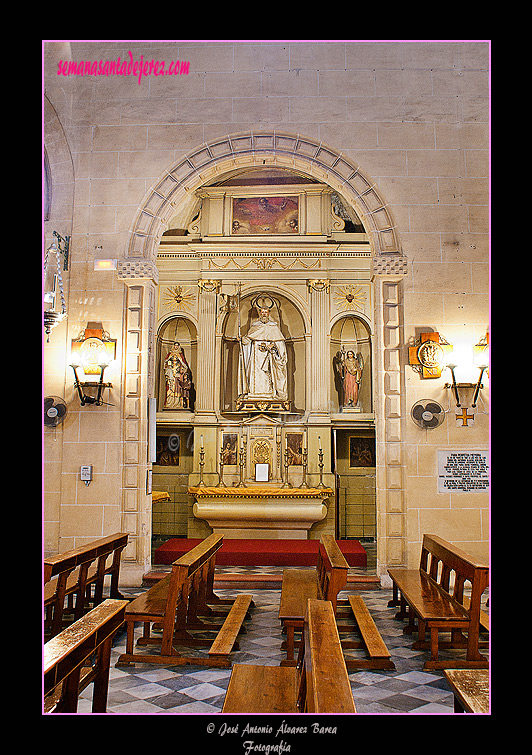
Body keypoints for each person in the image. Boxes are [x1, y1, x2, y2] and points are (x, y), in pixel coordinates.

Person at [238, 306, 288, 401]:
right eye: (262, 312)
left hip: (269, 356)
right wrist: (242, 339)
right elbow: (248, 340)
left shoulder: (274, 327)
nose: (264, 314)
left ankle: (272, 393)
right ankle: (253, 393)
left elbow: (280, 344)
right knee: (255, 375)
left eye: (266, 312)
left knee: (268, 375)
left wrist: (273, 346)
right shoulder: (255, 326)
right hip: (256, 356)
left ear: (269, 313)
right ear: (260, 313)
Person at [163, 341, 192, 409]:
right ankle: (170, 403)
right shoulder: (170, 354)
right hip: (171, 374)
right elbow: (166, 363)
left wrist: (182, 371)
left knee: (178, 388)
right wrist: (168, 368)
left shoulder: (180, 355)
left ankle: (178, 404)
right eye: (175, 345)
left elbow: (184, 365)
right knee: (170, 388)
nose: (176, 347)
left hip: (178, 375)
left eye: (177, 346)